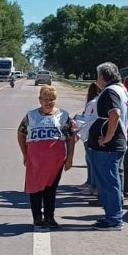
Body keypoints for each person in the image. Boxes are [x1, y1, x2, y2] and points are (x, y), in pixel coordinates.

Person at [17, 86, 77, 227]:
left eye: (52, 100)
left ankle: (49, 217)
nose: (48, 102)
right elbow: (21, 133)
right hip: (36, 160)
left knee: (51, 189)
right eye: (45, 99)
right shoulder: (31, 116)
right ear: (40, 100)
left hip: (55, 161)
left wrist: (69, 158)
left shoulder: (63, 116)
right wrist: (25, 154)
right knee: (36, 189)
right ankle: (37, 217)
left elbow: (70, 138)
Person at [86, 63, 128, 230]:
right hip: (115, 145)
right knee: (111, 182)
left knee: (108, 183)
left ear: (103, 77)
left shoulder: (110, 92)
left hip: (108, 147)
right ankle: (113, 216)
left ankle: (114, 219)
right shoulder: (122, 90)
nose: (97, 79)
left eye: (98, 76)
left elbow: (115, 113)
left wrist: (107, 137)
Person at [77, 82, 101, 195]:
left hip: (90, 133)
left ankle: (93, 185)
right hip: (89, 133)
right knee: (90, 159)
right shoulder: (94, 102)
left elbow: (90, 119)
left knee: (92, 160)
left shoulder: (94, 102)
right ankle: (90, 182)